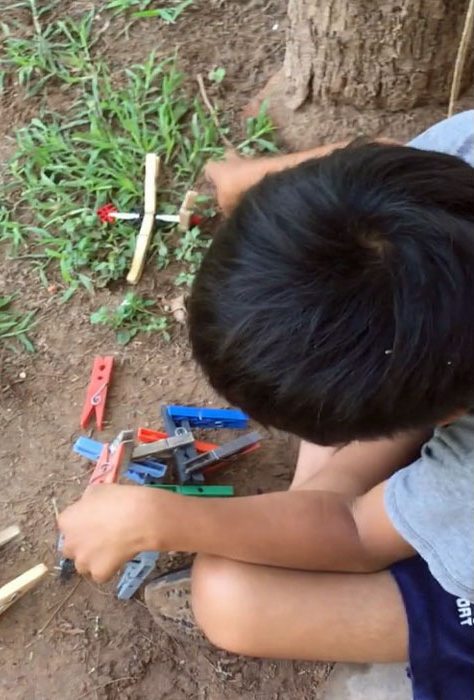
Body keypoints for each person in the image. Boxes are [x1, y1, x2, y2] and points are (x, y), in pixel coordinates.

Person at [58, 110, 474, 700]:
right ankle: (315, 503)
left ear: (448, 418)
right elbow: (386, 158)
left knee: (233, 598)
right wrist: (264, 181)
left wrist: (162, 519)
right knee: (335, 400)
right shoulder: (461, 155)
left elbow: (357, 535)